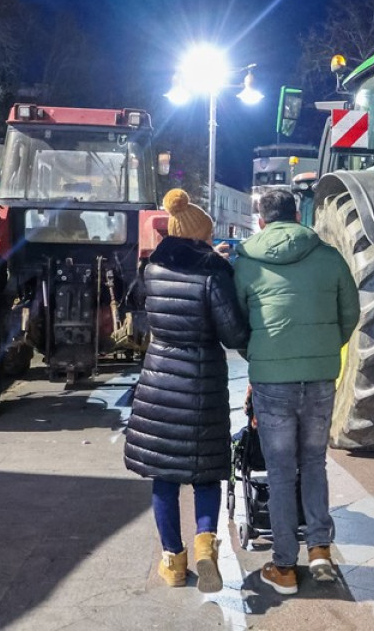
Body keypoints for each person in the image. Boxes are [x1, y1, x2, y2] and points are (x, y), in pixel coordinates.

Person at [233, 189, 359, 595]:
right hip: (320, 377)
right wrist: (323, 349)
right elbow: (349, 315)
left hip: (272, 383)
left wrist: (260, 354)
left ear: (261, 220)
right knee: (315, 463)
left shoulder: (246, 262)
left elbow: (237, 322)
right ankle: (319, 550)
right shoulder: (328, 256)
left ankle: (284, 566)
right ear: (299, 214)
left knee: (282, 471)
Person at [124, 188, 249, 591]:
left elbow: (143, 315)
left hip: (158, 379)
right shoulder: (212, 273)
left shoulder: (151, 270)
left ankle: (173, 564)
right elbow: (232, 334)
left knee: (164, 477)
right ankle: (206, 547)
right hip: (201, 384)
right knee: (205, 473)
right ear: (199, 235)